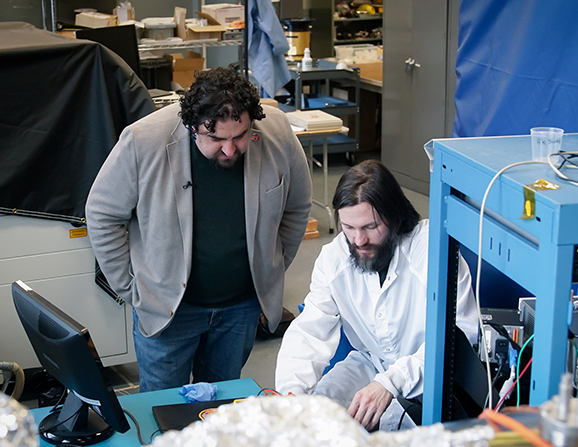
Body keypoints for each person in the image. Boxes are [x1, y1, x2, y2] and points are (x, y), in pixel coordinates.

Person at [86, 67, 312, 392]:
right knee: (163, 415)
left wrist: (271, 267)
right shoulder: (144, 140)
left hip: (240, 309)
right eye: (217, 139)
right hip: (170, 312)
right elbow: (102, 213)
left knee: (220, 410)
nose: (230, 149)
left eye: (240, 136)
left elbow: (298, 205)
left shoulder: (276, 132)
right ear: (192, 127)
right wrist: (131, 288)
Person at [275, 160, 479, 431]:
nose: (358, 240)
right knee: (318, 408)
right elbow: (310, 331)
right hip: (372, 362)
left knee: (392, 424)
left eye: (370, 227)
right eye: (348, 227)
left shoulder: (432, 252)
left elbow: (462, 337)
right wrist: (291, 392)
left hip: (433, 373)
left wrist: (391, 382)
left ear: (394, 216)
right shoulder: (334, 259)